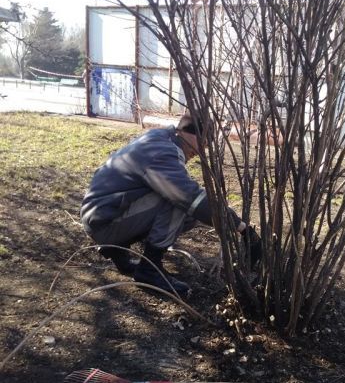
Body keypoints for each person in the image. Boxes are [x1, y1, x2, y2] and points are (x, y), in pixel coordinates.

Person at [80, 114, 261, 295]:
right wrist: (243, 229)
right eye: (203, 142)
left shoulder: (160, 138)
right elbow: (189, 198)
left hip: (104, 215)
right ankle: (149, 270)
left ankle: (116, 248)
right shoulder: (163, 152)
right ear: (185, 132)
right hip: (105, 223)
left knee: (189, 216)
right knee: (180, 201)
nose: (201, 151)